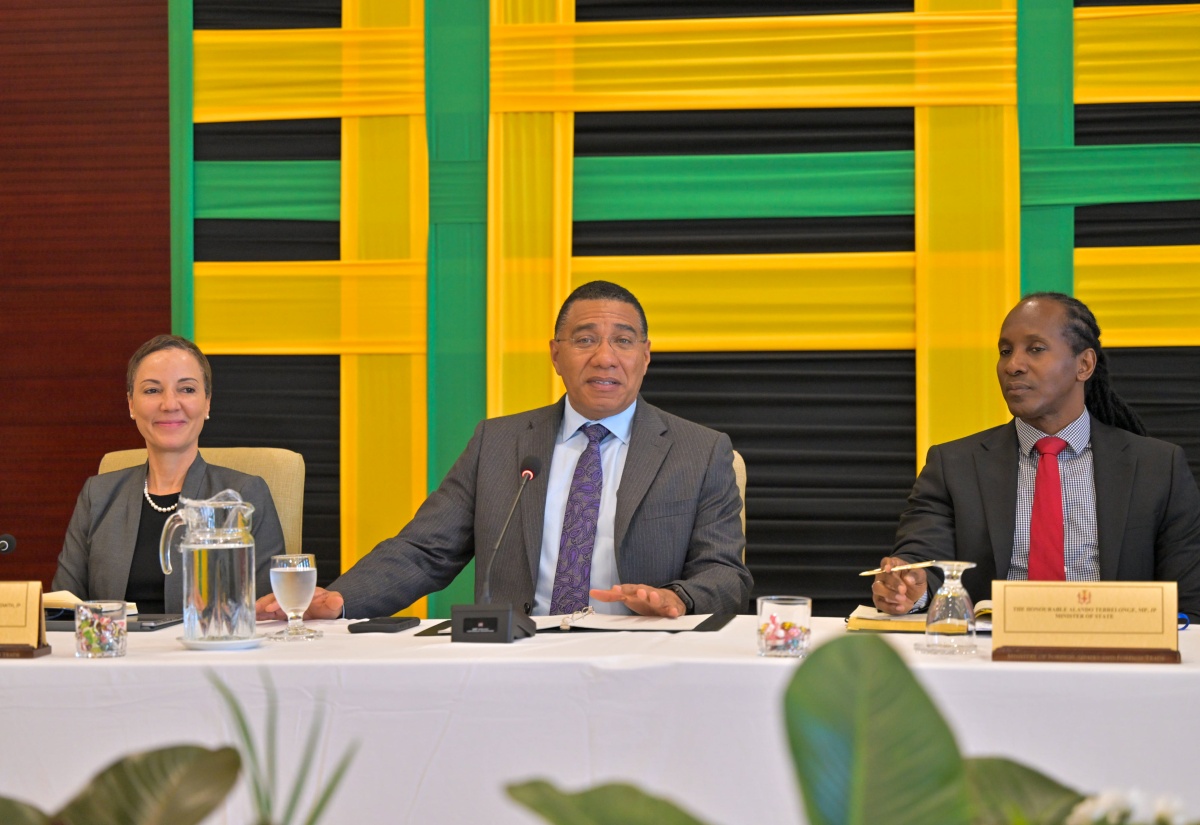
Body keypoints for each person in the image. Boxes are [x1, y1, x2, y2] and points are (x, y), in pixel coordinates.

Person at [258, 280, 751, 621]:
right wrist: (340, 598)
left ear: (645, 357)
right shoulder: (499, 443)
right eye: (585, 340)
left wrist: (675, 598)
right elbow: (425, 550)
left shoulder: (699, 451)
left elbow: (725, 574)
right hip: (515, 656)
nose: (605, 357)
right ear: (556, 354)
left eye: (623, 341)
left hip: (641, 656)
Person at [872, 292, 1200, 619]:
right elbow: (923, 560)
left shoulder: (1158, 468)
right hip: (989, 661)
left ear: (1083, 364)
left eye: (1035, 349)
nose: (1013, 365)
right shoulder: (953, 465)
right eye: (1005, 351)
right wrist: (909, 586)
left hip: (1117, 660)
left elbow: (1189, 600)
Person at [53, 334, 284, 613]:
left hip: (208, 655)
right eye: (152, 391)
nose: (170, 404)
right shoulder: (98, 495)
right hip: (113, 654)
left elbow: (269, 610)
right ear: (131, 404)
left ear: (207, 402)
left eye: (186, 389)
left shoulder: (244, 495)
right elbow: (62, 607)